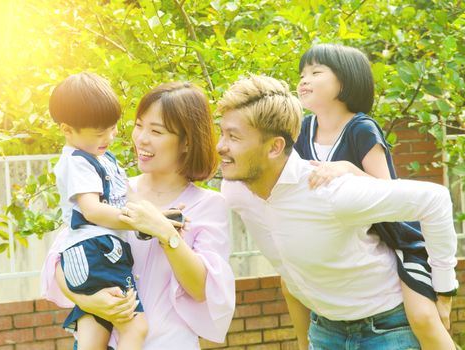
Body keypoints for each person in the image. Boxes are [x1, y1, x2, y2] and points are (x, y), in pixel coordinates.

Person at [216, 75, 458, 350]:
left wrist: (444, 288)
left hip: (386, 329)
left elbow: (435, 200)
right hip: (324, 329)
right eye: (222, 133)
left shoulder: (329, 192)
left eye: (233, 137)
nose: (220, 146)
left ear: (275, 147)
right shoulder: (236, 189)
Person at [42, 81, 235, 350]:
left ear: (187, 142)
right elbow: (60, 258)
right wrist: (88, 301)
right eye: (139, 125)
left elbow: (202, 288)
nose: (141, 138)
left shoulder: (208, 205)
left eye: (156, 131)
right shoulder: (112, 190)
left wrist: (166, 233)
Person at [291, 43, 456, 349]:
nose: (304, 80)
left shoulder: (361, 129)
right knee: (290, 284)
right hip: (330, 241)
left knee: (423, 317)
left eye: (315, 72)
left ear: (345, 80)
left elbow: (388, 196)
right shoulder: (301, 131)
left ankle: (444, 307)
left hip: (394, 239)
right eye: (301, 74)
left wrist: (346, 169)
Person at [48, 72, 147, 350]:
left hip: (94, 254)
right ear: (67, 129)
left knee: (94, 335)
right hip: (97, 251)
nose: (110, 137)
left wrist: (160, 216)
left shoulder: (100, 156)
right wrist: (142, 223)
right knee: (136, 327)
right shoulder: (78, 161)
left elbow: (132, 196)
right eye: (99, 133)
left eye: (113, 128)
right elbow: (92, 210)